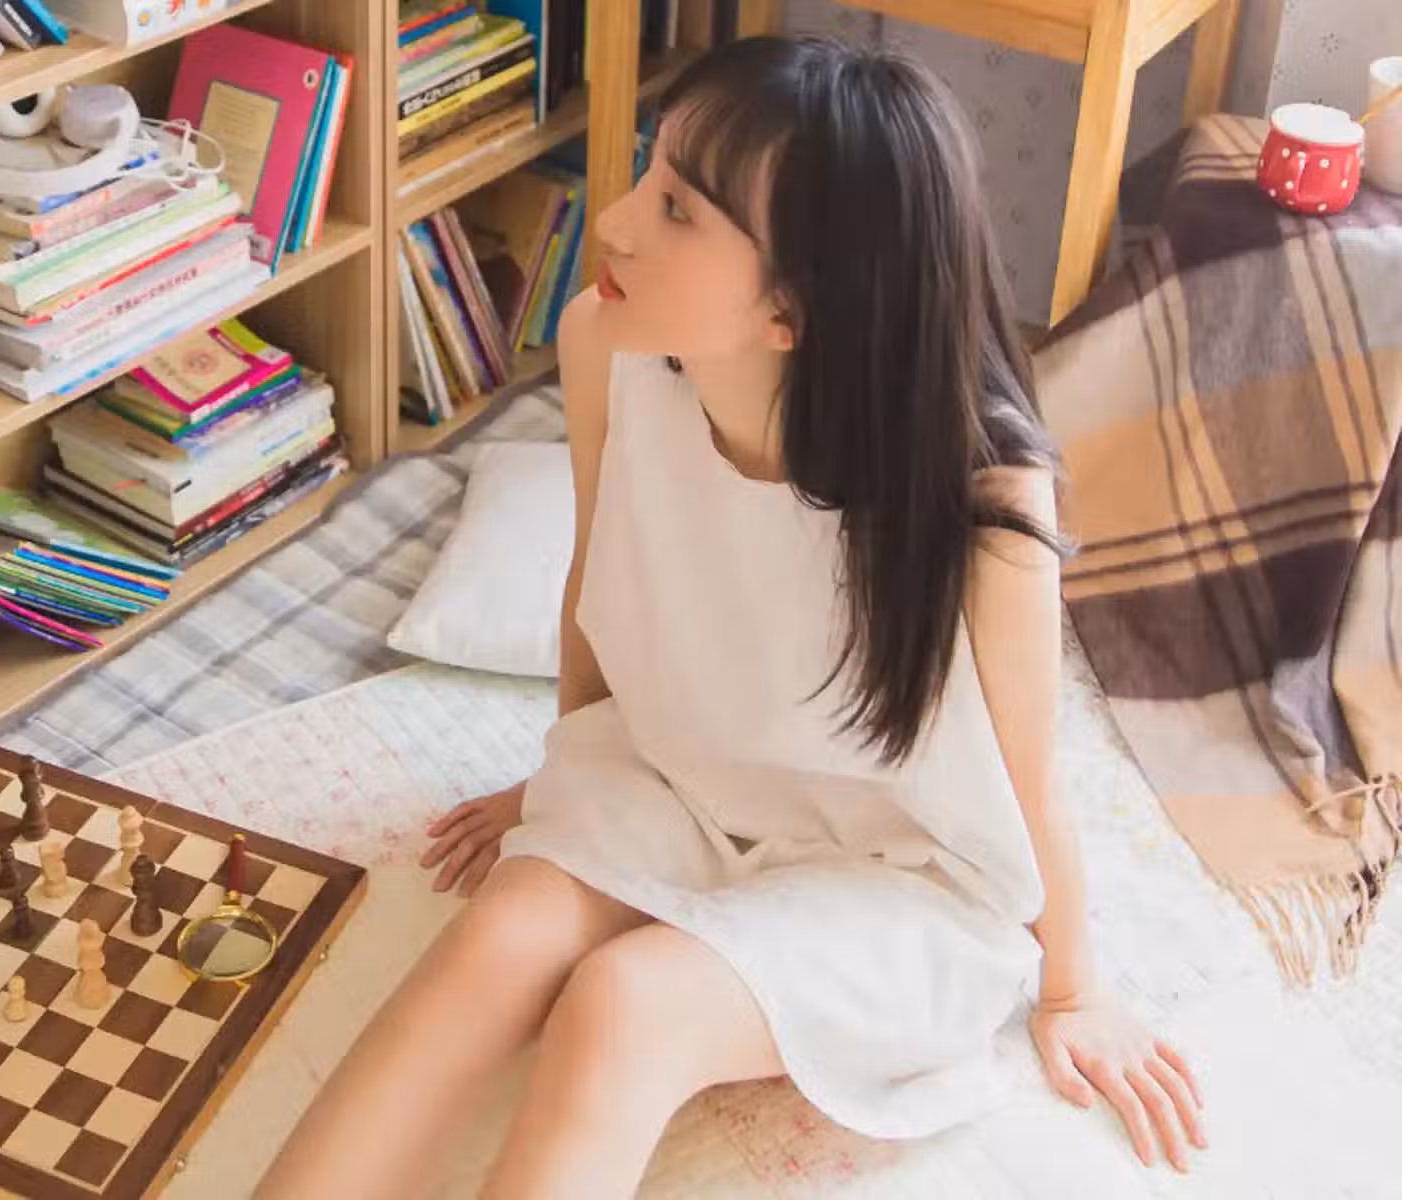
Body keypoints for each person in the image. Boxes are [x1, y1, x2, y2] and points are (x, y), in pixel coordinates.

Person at [257, 35, 1205, 1199]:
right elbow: (602, 582)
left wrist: (1073, 991)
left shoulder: (984, 497)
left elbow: (1028, 779)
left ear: (793, 312)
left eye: (678, 211)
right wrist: (564, 781)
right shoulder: (608, 343)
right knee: (503, 933)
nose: (615, 221)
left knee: (625, 1004)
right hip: (676, 783)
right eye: (650, 173)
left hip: (901, 873)